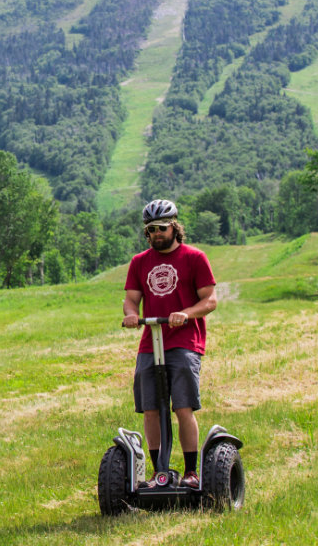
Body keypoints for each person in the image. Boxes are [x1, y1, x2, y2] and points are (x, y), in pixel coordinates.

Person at [122, 199, 217, 489]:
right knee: (150, 408)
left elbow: (210, 300)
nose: (156, 234)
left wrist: (185, 314)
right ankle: (158, 473)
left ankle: (191, 472)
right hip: (151, 342)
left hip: (186, 341)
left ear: (174, 227)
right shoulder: (140, 262)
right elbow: (131, 299)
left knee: (182, 407)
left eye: (161, 228)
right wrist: (130, 315)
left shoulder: (194, 258)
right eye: (150, 230)